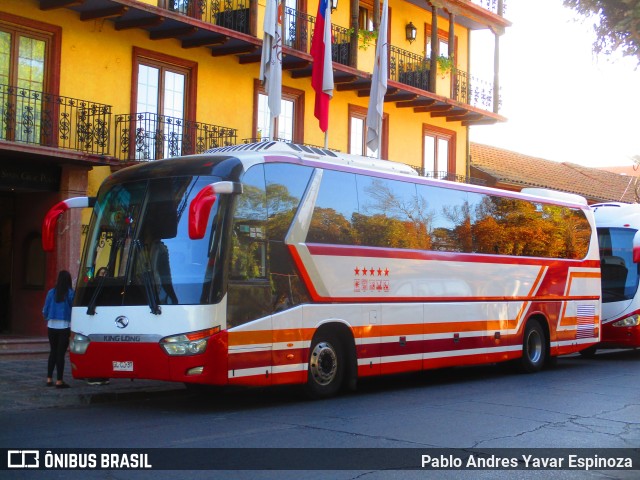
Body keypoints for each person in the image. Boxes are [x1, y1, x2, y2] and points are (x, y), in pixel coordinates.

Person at [42, 270, 74, 388]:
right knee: (61, 354)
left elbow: (45, 308)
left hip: (51, 325)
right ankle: (59, 380)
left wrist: (46, 317)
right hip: (64, 326)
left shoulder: (51, 292)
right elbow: (73, 308)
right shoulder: (70, 293)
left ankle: (49, 378)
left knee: (53, 352)